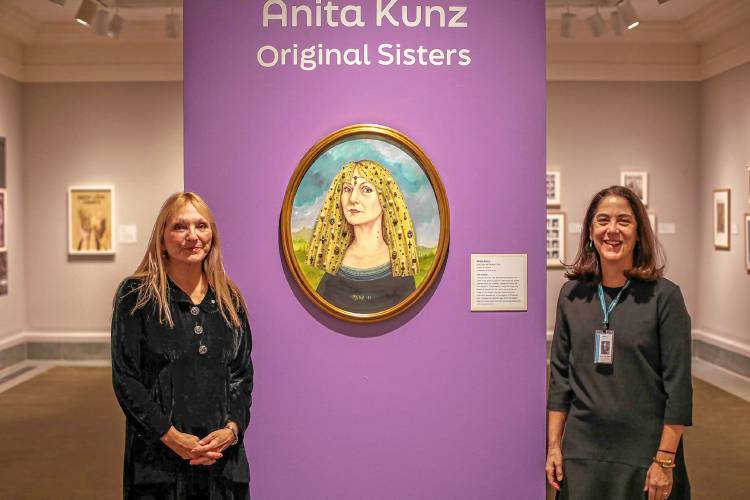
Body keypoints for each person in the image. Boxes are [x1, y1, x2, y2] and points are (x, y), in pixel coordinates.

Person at [546, 185, 692, 500]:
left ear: (639, 233)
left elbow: (678, 389)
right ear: (590, 231)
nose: (612, 230)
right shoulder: (571, 296)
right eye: (602, 221)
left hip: (645, 456)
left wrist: (665, 460)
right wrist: (554, 447)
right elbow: (560, 380)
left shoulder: (664, 297)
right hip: (582, 453)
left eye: (623, 221)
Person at [111, 192, 253, 499]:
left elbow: (241, 376)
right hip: (158, 464)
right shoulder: (136, 296)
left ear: (212, 235)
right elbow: (127, 380)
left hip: (222, 463)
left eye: (201, 226)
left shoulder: (230, 299)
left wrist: (231, 430)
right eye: (179, 227)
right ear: (162, 238)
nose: (192, 236)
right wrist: (172, 438)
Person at [306, 159, 418, 313]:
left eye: (366, 190)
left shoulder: (399, 269)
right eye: (347, 189)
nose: (352, 199)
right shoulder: (334, 267)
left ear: (386, 199)